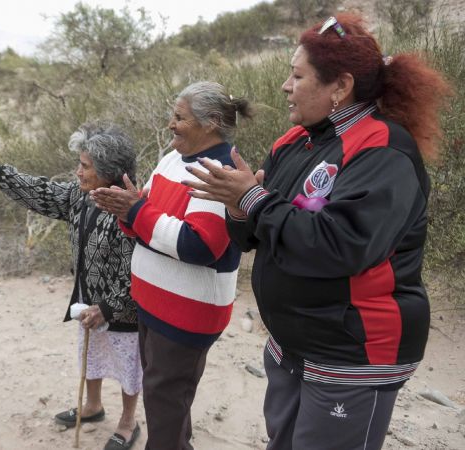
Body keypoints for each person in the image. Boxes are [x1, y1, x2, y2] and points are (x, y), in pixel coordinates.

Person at [182, 14, 450, 450]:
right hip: (294, 346)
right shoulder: (295, 142)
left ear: (340, 87)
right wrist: (236, 206)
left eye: (297, 75)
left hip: (351, 352)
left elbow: (340, 246)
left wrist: (252, 199)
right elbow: (253, 236)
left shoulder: (383, 149)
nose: (286, 86)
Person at [0, 122, 143, 450]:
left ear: (107, 170)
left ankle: (129, 422)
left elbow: (137, 273)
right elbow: (41, 192)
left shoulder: (129, 208)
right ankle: (93, 406)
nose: (77, 172)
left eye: (85, 166)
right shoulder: (79, 196)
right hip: (88, 296)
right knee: (91, 352)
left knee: (127, 362)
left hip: (123, 309)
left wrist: (107, 307)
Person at [92, 81, 251, 450]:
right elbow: (145, 216)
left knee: (164, 403)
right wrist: (126, 211)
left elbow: (199, 244)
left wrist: (136, 211)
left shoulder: (220, 171)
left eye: (179, 117)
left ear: (210, 123)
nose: (170, 125)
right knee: (165, 397)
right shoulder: (173, 159)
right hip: (154, 304)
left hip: (187, 313)